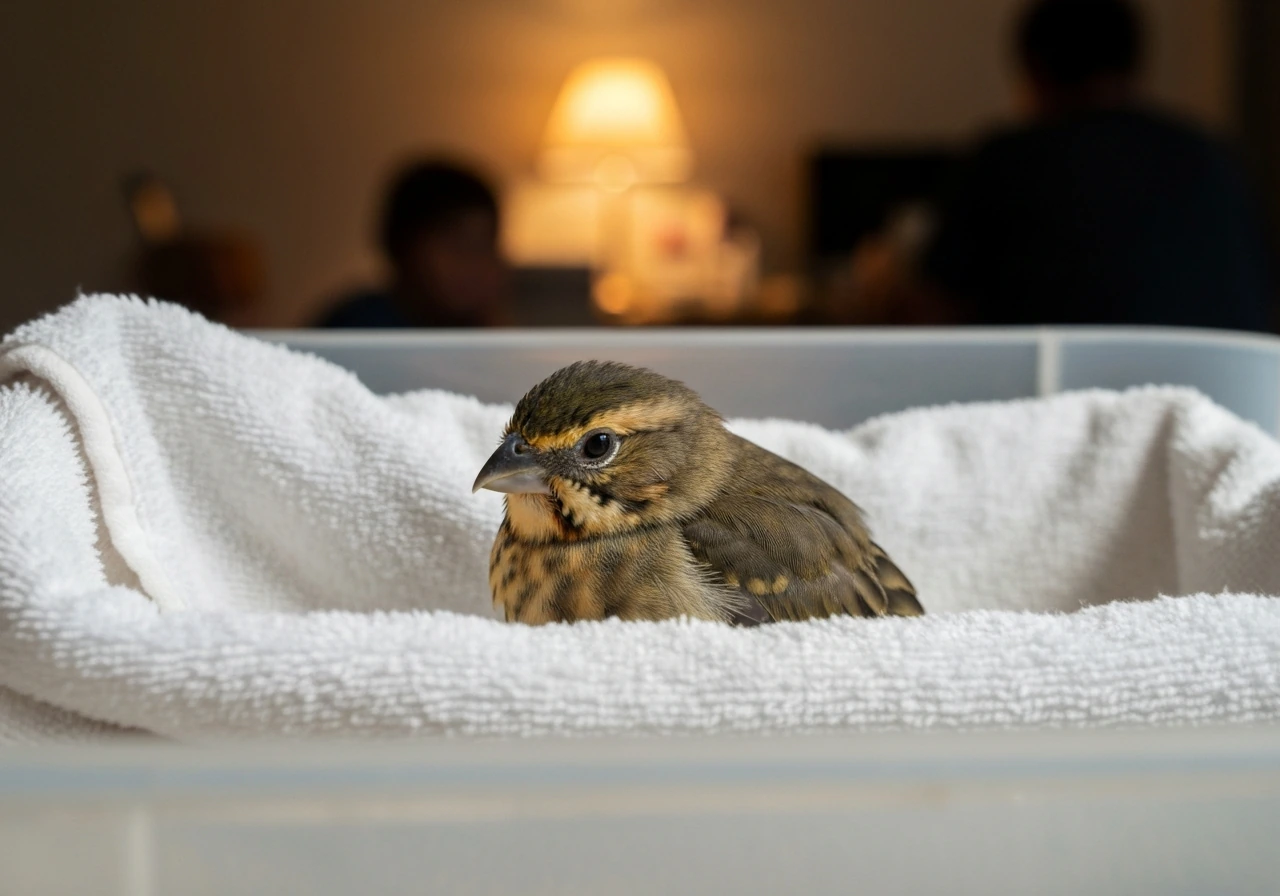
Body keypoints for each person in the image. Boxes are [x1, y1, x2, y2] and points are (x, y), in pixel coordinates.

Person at [911, 0, 1273, 330]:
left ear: (1034, 72)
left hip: (1051, 394)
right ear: (1135, 65)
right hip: (1227, 395)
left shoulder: (1003, 161)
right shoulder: (1212, 158)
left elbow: (935, 317)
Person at [317, 159, 509, 327]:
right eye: (457, 246)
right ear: (403, 247)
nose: (474, 264)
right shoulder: (358, 326)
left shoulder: (474, 330)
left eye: (485, 246)